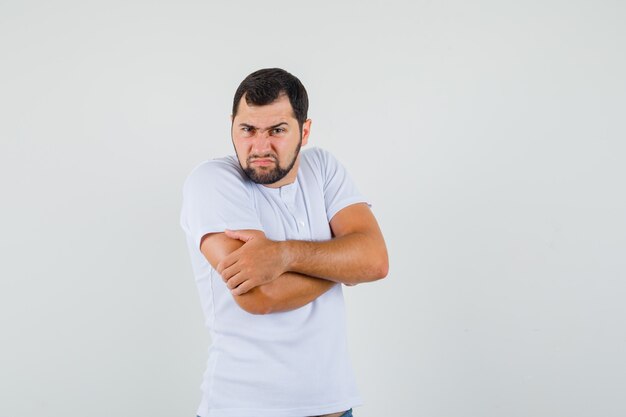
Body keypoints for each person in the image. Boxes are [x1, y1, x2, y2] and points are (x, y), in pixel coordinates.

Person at [180, 68, 388, 417]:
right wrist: (345, 264)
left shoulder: (322, 168)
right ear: (232, 125)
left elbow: (375, 261)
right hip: (244, 408)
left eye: (277, 130)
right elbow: (261, 296)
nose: (260, 147)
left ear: (304, 131)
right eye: (247, 130)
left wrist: (283, 255)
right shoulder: (212, 182)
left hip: (335, 407)